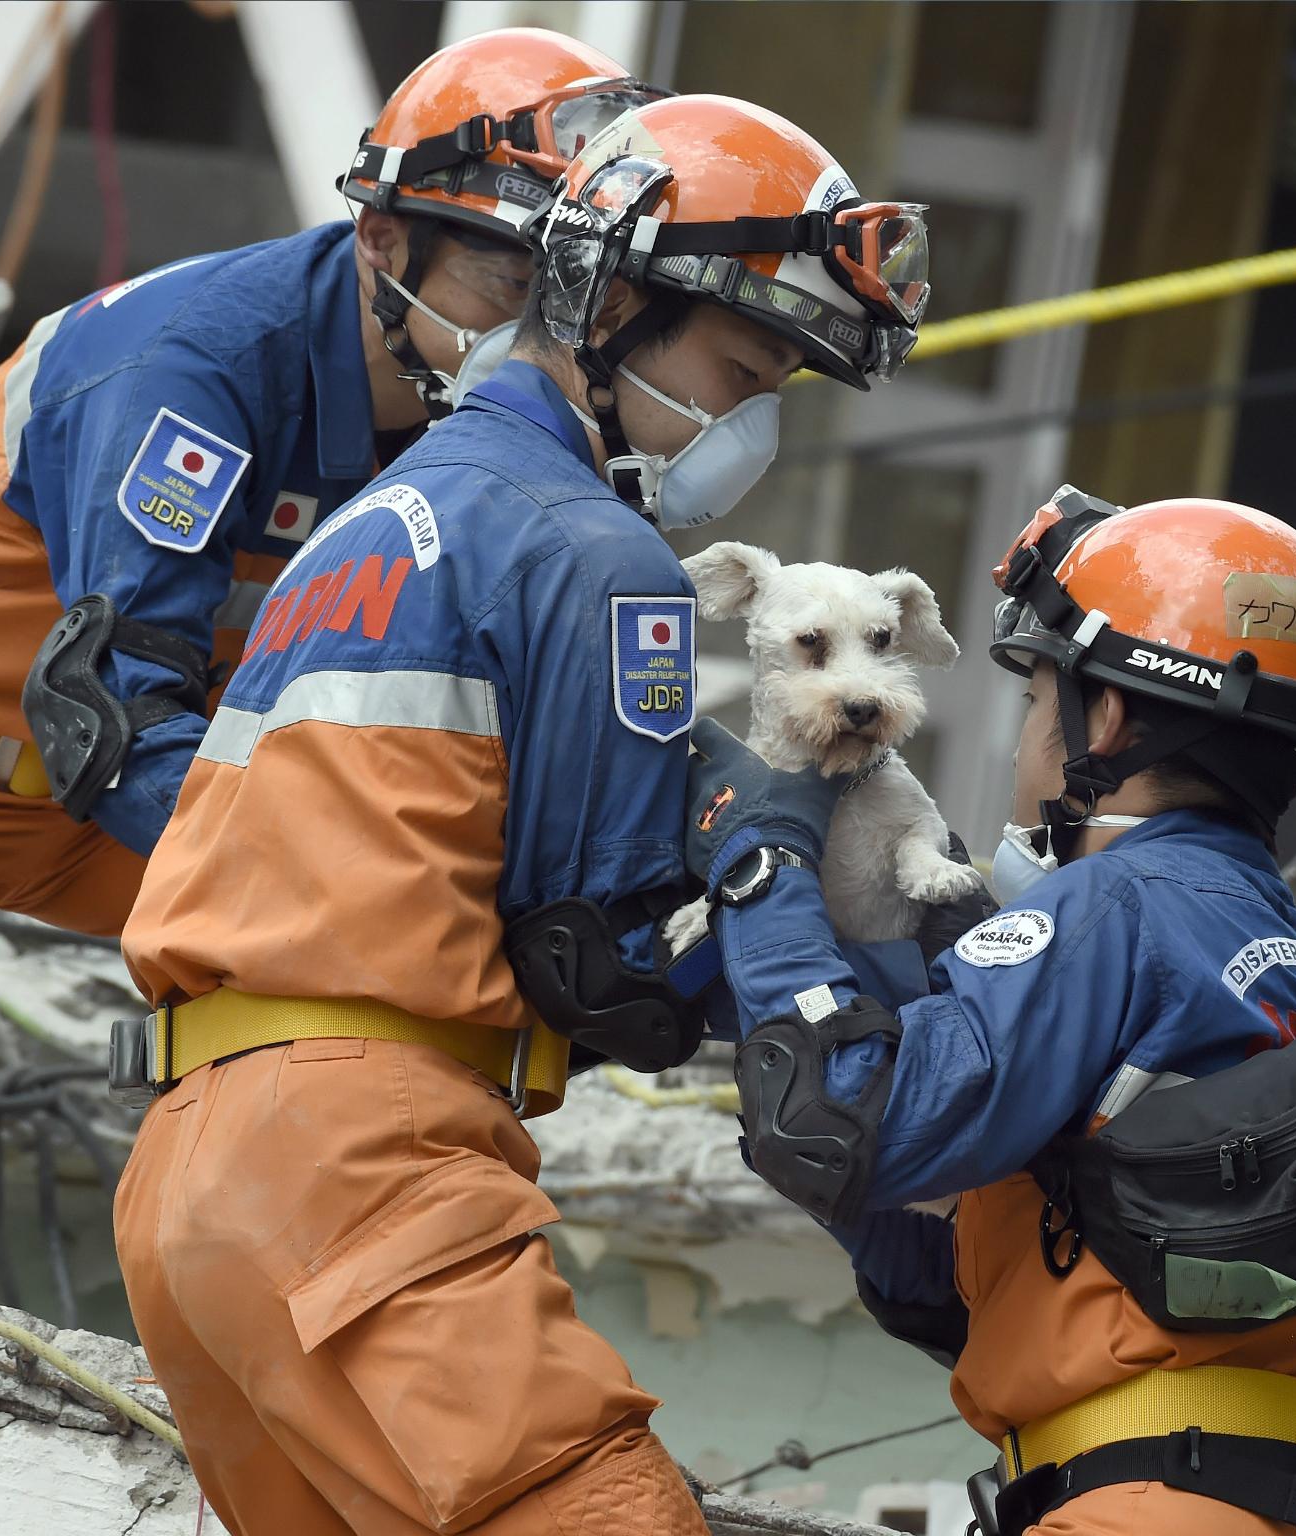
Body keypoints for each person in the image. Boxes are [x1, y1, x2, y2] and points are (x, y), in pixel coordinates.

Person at [0, 28, 662, 1237]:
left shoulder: (517, 424)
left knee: (440, 969)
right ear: (384, 240)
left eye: (578, 297)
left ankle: (328, 1276)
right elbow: (113, 710)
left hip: (176, 786)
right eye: (507, 285)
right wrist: (325, 894)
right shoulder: (193, 366)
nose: (543, 331)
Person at [110, 94, 932, 1534]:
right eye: (742, 370)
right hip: (359, 1168)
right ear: (605, 297)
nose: (748, 427)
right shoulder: (594, 555)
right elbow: (600, 967)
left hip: (192, 1175)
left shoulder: (380, 517)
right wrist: (785, 863)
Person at [684, 489, 1296, 1536]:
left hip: (1151, 1504)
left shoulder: (1108, 912)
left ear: (1103, 720)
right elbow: (981, 1284)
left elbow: (835, 1122)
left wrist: (760, 870)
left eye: (1031, 704)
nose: (1019, 748)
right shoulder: (1280, 948)